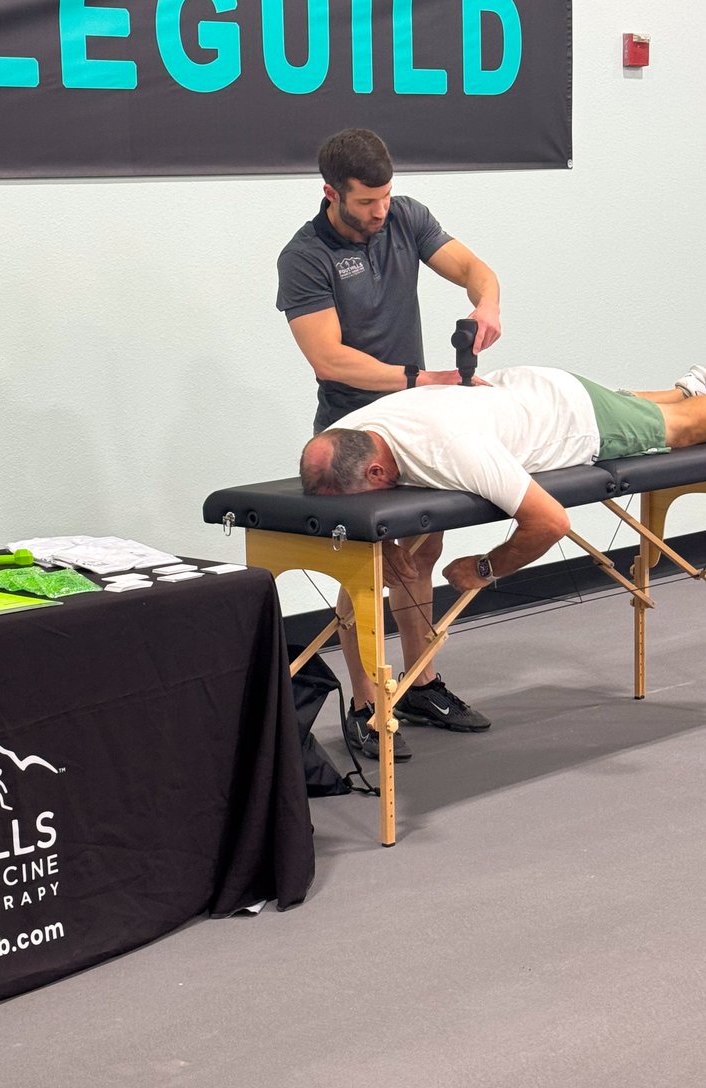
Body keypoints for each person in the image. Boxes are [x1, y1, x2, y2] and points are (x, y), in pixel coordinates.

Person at [276, 127, 502, 760]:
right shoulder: (304, 256)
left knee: (421, 557)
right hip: (352, 429)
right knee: (364, 571)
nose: (380, 211)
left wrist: (488, 302)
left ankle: (421, 684)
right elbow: (329, 357)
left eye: (385, 197)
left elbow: (472, 268)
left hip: (415, 418)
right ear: (331, 193)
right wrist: (421, 377)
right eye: (367, 202)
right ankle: (366, 703)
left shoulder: (405, 217)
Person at [300, 364, 706, 595]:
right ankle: (690, 388)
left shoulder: (452, 449)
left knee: (684, 427)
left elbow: (551, 522)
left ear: (376, 471)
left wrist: (483, 568)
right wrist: (380, 542)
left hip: (577, 416)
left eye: (361, 499)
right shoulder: (343, 433)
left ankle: (689, 402)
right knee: (657, 405)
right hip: (525, 389)